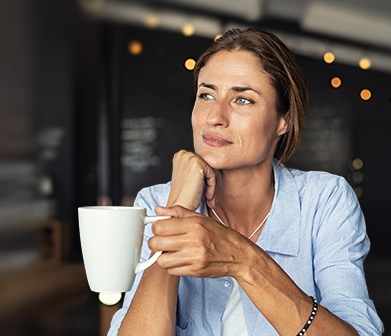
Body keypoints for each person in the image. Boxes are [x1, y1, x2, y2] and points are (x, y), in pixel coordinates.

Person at [108, 28, 383, 336]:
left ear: (284, 120)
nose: (215, 116)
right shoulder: (155, 203)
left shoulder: (325, 200)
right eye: (206, 95)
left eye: (242, 99)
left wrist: (243, 261)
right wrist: (179, 205)